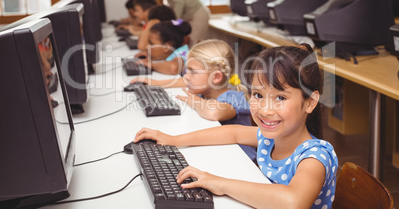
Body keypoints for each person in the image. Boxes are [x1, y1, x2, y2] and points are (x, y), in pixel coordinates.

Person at [132, 44, 339, 208]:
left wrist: (220, 184)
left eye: (280, 98)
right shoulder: (270, 138)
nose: (265, 110)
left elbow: (293, 202)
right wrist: (173, 140)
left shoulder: (314, 157)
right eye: (258, 95)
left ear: (310, 102)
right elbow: (232, 132)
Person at [132, 39, 257, 161]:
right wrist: (153, 82)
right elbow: (182, 81)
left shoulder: (233, 98)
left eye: (193, 71)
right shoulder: (205, 88)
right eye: (187, 70)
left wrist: (194, 101)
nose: (186, 76)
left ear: (216, 77)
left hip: (240, 161)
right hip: (218, 153)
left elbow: (214, 112)